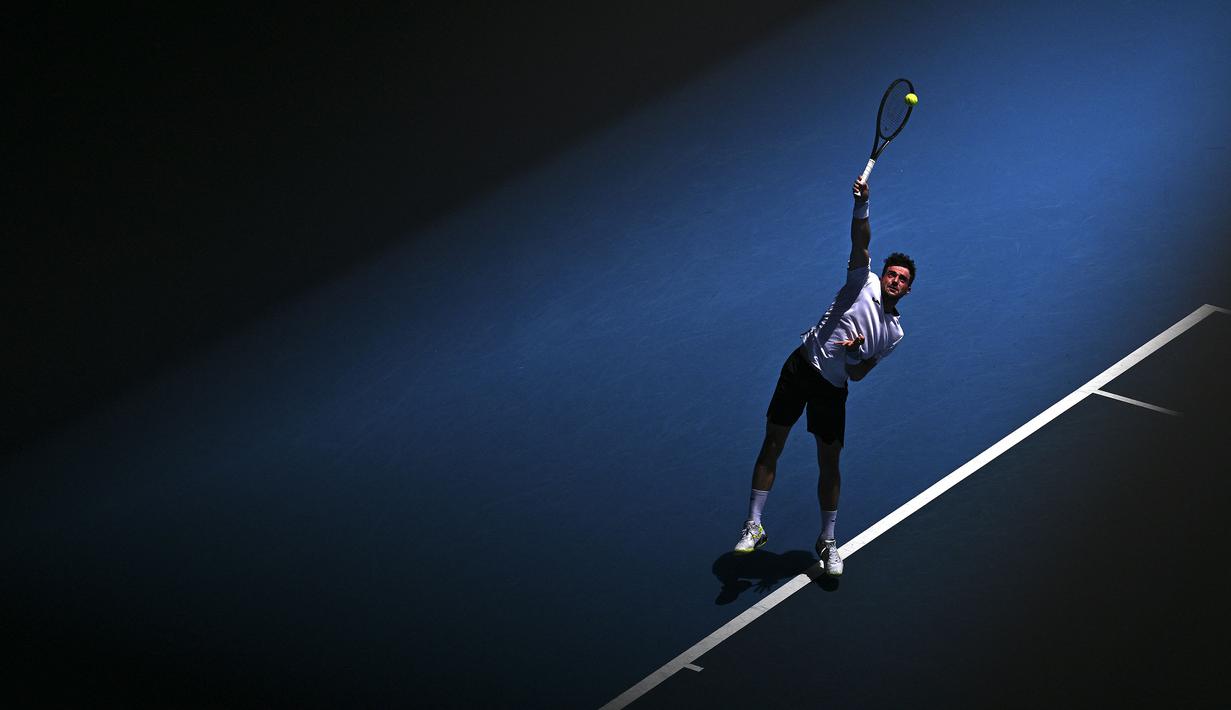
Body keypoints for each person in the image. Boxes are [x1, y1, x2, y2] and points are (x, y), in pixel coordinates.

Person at [733, 176, 916, 576]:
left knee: (829, 463)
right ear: (883, 274)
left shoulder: (894, 334)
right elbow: (860, 241)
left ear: (907, 290)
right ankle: (754, 524)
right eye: (892, 273)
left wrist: (854, 355)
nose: (895, 280)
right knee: (773, 441)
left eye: (903, 279)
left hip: (832, 389)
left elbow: (861, 373)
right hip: (801, 366)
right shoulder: (862, 280)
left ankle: (828, 540)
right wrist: (862, 204)